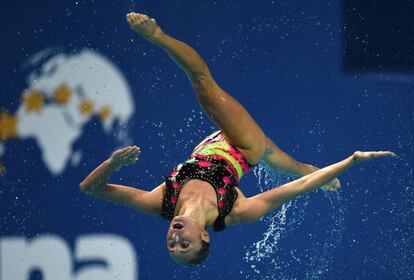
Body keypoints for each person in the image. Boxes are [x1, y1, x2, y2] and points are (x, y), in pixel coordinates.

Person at [79, 12, 395, 265]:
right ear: (204, 237)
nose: (175, 239)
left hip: (211, 144)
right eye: (184, 245)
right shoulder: (235, 212)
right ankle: (157, 36)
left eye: (172, 245)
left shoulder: (160, 202)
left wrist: (112, 163)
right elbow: (295, 190)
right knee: (203, 83)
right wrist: (350, 161)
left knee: (286, 162)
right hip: (243, 146)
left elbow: (90, 189)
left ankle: (302, 165)